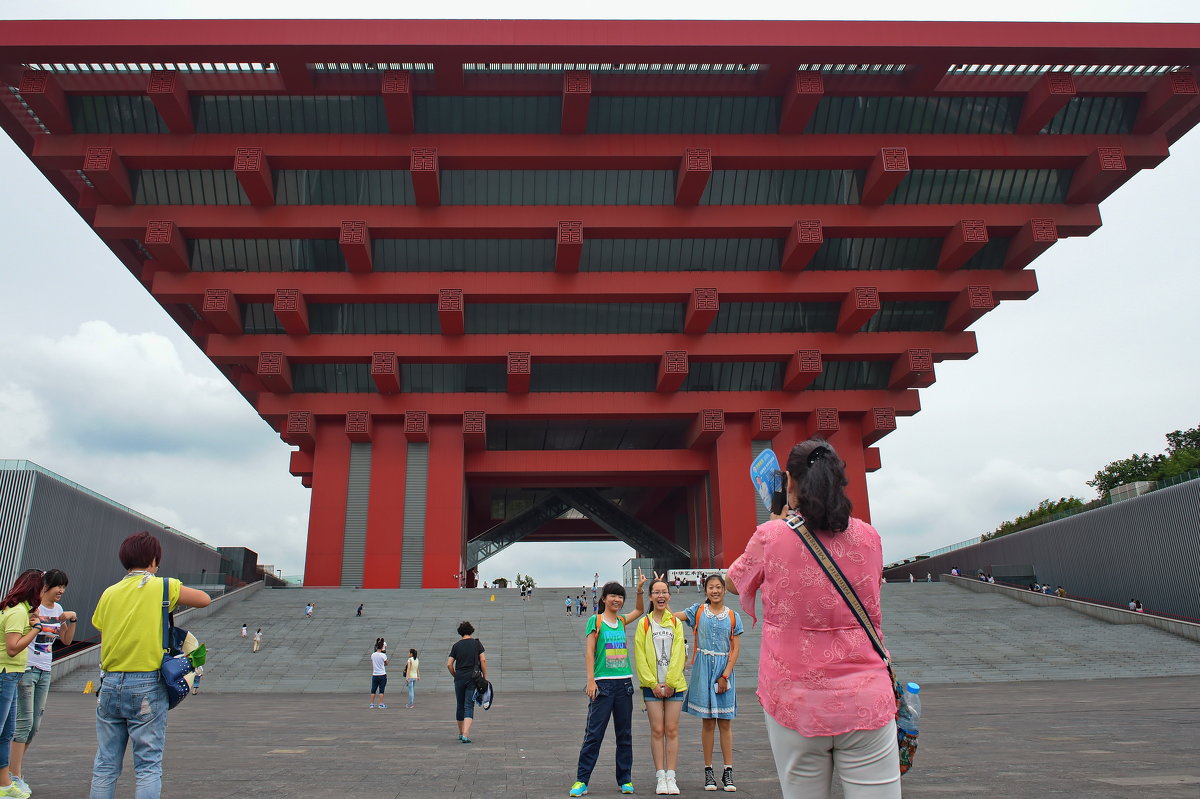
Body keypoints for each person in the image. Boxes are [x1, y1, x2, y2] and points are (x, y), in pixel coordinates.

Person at [727, 438, 900, 799]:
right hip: (867, 695)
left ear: (788, 481)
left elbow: (733, 581)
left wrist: (776, 520)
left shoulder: (771, 537)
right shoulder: (869, 537)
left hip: (795, 699)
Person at [88, 531, 213, 799]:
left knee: (106, 764)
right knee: (147, 765)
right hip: (146, 683)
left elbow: (99, 625)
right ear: (154, 560)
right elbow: (204, 600)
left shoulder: (109, 593)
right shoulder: (163, 586)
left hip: (109, 683)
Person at [568, 577, 645, 797]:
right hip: (603, 685)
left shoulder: (621, 621)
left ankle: (625, 779)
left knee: (625, 735)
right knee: (594, 734)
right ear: (604, 598)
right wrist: (590, 680)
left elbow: (639, 610)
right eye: (613, 595)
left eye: (620, 596)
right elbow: (590, 652)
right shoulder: (596, 621)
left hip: (624, 684)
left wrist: (639, 590)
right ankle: (581, 780)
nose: (617, 599)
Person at [10, 569, 76, 795]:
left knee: (34, 726)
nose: (61, 591)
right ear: (44, 585)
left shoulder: (58, 610)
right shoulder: (32, 607)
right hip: (27, 668)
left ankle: (14, 769)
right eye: (58, 586)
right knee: (24, 723)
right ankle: (14, 775)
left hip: (45, 670)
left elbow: (66, 640)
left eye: (64, 586)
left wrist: (71, 619)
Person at [676, 574, 743, 793]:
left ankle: (728, 770)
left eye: (718, 587)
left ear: (724, 590)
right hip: (703, 669)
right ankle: (708, 771)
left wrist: (725, 676)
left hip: (723, 670)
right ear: (705, 591)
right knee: (707, 723)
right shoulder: (698, 611)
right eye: (711, 587)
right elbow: (671, 617)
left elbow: (735, 649)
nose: (714, 591)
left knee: (725, 723)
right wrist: (656, 599)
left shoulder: (733, 616)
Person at [634, 576, 687, 796]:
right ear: (650, 597)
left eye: (664, 591)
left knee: (672, 730)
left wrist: (671, 682)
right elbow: (639, 655)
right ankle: (660, 776)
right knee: (657, 730)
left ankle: (671, 776)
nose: (661, 595)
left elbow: (678, 654)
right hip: (652, 686)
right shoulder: (644, 623)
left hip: (674, 685)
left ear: (669, 595)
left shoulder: (675, 622)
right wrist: (652, 683)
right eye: (656, 592)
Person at [0, 570, 45, 798]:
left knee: (6, 734)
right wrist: (36, 630)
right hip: (5, 674)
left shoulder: (16, 610)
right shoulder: (17, 613)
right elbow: (12, 647)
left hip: (12, 674)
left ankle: (5, 784)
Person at [447, 621, 487, 743]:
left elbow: (449, 664)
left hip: (459, 678)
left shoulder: (456, 646)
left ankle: (460, 733)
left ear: (460, 632)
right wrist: (484, 677)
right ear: (471, 630)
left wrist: (455, 674)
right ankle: (465, 733)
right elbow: (483, 660)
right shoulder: (476, 644)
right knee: (469, 705)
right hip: (472, 678)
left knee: (460, 705)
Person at [369, 639, 388, 708]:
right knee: (381, 690)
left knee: (373, 690)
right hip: (382, 674)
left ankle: (371, 704)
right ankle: (381, 703)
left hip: (375, 674)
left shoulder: (373, 655)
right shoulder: (383, 655)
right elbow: (386, 663)